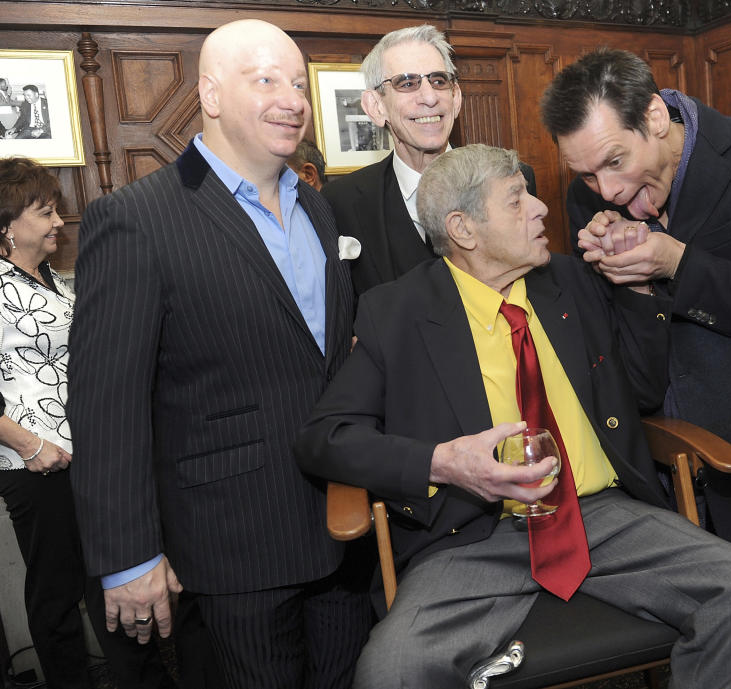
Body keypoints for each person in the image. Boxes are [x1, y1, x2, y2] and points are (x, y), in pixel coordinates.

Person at [297, 143, 731, 689]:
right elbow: (327, 437)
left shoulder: (572, 282)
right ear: (463, 229)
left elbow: (644, 392)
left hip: (601, 517)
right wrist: (443, 463)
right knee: (392, 670)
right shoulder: (398, 310)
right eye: (517, 199)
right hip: (472, 538)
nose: (541, 208)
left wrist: (641, 287)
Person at [67, 19, 367, 689]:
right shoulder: (136, 220)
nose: (292, 99)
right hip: (233, 546)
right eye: (266, 80)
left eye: (298, 83)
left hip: (341, 532)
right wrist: (127, 557)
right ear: (209, 91)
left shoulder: (316, 210)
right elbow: (105, 406)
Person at [541, 49, 731, 688]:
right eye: (587, 175)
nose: (608, 192)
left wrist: (677, 263)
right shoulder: (586, 194)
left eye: (616, 162)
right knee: (676, 655)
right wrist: (620, 280)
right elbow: (611, 338)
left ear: (654, 113)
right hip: (654, 474)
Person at [0, 157, 174, 689]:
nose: (59, 222)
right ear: (6, 223)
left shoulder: (50, 277)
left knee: (112, 577)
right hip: (37, 466)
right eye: (45, 212)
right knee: (56, 593)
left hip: (87, 457)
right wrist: (31, 446)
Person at [320, 24, 535, 297]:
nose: (430, 98)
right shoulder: (341, 201)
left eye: (439, 81)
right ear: (376, 107)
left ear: (455, 98)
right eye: (407, 83)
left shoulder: (511, 180)